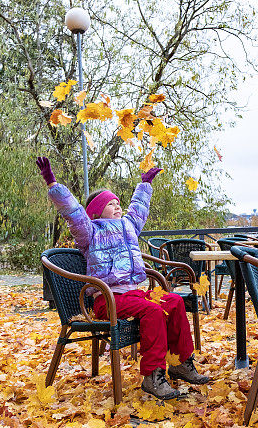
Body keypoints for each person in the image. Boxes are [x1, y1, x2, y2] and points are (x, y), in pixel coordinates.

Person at [36, 156, 209, 400]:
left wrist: (145, 185)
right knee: (153, 311)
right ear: (96, 212)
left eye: (118, 202)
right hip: (108, 299)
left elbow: (138, 209)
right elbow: (72, 212)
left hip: (133, 294)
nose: (118, 206)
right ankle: (152, 376)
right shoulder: (90, 232)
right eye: (111, 204)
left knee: (174, 302)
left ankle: (180, 362)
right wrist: (52, 183)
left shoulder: (128, 225)